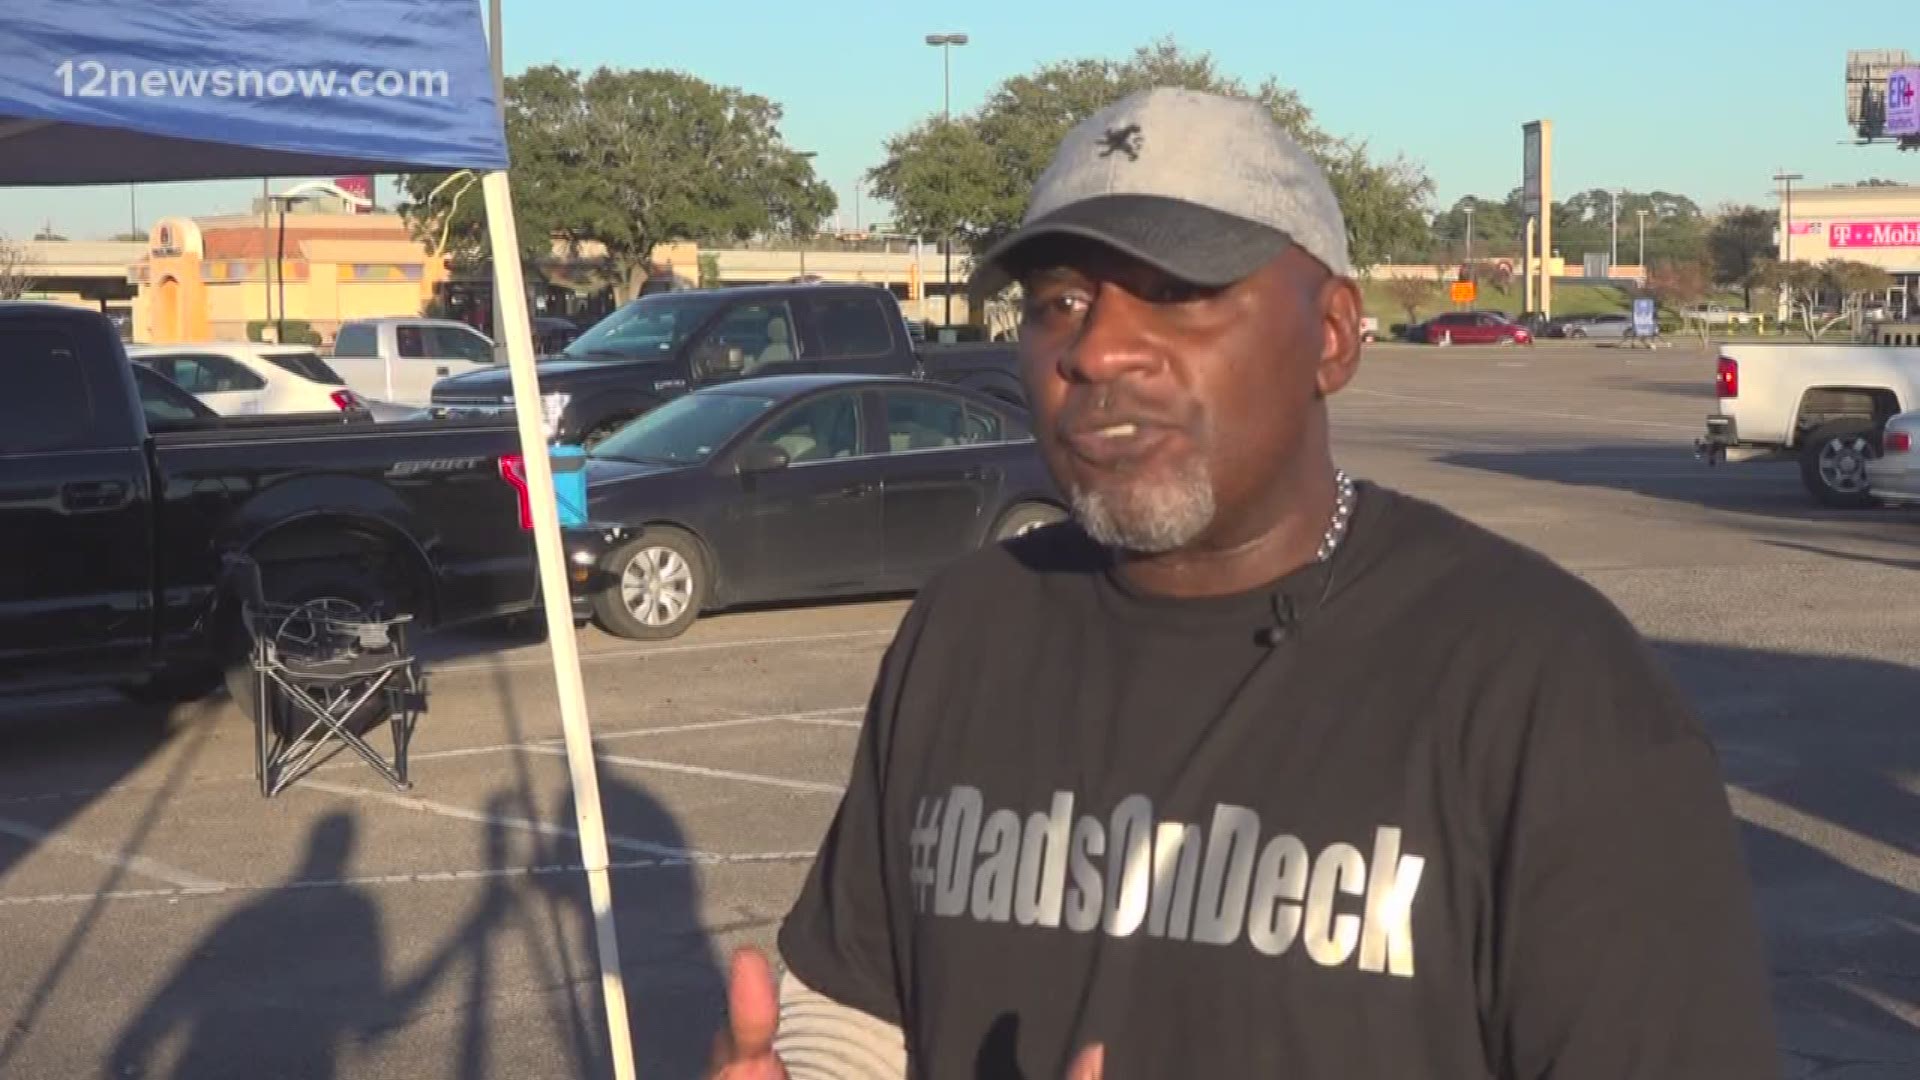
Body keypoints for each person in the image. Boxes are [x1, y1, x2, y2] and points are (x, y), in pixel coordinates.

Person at [709, 87, 1780, 1079]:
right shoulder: (967, 629)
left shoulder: (1548, 688)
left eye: (1179, 294)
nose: (1099, 348)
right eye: (1059, 300)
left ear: (1331, 336)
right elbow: (861, 1009)